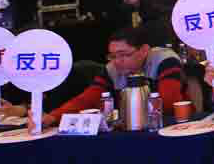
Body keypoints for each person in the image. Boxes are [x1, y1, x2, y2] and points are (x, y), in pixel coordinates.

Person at [39, 26, 185, 126]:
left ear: (144, 50)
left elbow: (168, 101)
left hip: (173, 124)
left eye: (124, 55)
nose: (117, 62)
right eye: (113, 56)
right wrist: (53, 117)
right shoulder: (112, 69)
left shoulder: (164, 60)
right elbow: (87, 98)